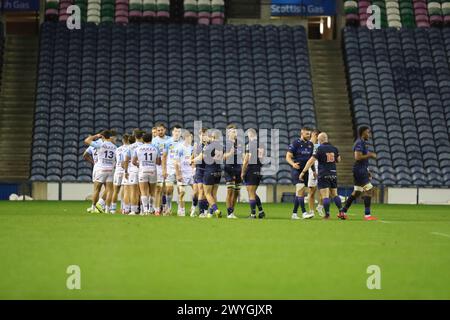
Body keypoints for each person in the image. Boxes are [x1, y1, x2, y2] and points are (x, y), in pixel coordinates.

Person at [300, 132, 343, 219]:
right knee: (335, 194)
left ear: (320, 140)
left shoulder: (319, 149)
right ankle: (342, 212)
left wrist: (303, 172)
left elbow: (310, 161)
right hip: (333, 173)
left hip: (323, 173)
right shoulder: (334, 148)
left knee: (325, 196)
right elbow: (338, 160)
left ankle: (327, 215)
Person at [340, 126, 378, 221]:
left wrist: (367, 170)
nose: (369, 134)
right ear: (363, 132)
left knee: (357, 192)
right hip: (359, 170)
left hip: (362, 169)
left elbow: (362, 160)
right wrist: (369, 155)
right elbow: (357, 157)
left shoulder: (362, 143)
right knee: (369, 189)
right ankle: (367, 215)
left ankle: (343, 211)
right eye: (368, 132)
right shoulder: (359, 143)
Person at [84, 130, 117, 214]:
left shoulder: (100, 144)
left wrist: (96, 136)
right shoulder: (115, 147)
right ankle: (106, 209)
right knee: (110, 190)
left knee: (97, 189)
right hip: (111, 169)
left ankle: (94, 207)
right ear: (110, 137)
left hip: (101, 168)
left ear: (102, 137)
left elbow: (86, 140)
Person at [286, 127, 315, 220]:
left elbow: (311, 160)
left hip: (305, 171)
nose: (309, 135)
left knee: (300, 193)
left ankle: (294, 214)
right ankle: (304, 212)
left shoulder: (311, 144)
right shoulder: (296, 143)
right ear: (302, 133)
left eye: (309, 134)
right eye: (307, 134)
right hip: (297, 170)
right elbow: (288, 157)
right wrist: (293, 164)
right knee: (301, 190)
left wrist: (313, 170)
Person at [132, 132, 160, 215]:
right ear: (151, 139)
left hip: (143, 171)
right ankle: (151, 209)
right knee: (152, 191)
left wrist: (139, 164)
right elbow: (158, 162)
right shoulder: (156, 148)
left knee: (143, 191)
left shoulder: (138, 148)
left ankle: (145, 210)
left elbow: (133, 161)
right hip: (152, 171)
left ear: (143, 139)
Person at [241, 128, 265, 219]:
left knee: (251, 193)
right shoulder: (262, 145)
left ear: (250, 134)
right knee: (253, 192)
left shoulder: (250, 145)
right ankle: (261, 211)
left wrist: (243, 172)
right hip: (259, 170)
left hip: (251, 170)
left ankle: (253, 214)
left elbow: (246, 161)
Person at [202, 129, 223, 218]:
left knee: (207, 193)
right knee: (214, 193)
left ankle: (216, 210)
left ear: (212, 137)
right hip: (218, 171)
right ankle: (210, 213)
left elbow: (202, 158)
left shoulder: (209, 146)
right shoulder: (221, 146)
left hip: (209, 170)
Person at [162, 125, 183, 215]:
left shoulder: (184, 143)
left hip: (181, 170)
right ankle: (168, 207)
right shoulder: (167, 142)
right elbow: (164, 156)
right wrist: (164, 170)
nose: (177, 133)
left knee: (180, 189)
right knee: (169, 189)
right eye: (175, 131)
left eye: (179, 131)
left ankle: (180, 208)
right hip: (170, 169)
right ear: (172, 132)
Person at [123, 129, 145, 215]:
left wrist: (125, 171)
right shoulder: (145, 146)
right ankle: (143, 210)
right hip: (143, 169)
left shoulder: (130, 147)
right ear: (142, 137)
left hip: (133, 170)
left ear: (135, 136)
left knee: (133, 191)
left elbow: (126, 160)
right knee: (143, 191)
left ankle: (133, 210)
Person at [223, 124, 243, 219]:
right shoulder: (225, 143)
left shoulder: (239, 143)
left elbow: (241, 155)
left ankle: (232, 212)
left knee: (236, 193)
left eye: (235, 131)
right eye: (232, 131)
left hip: (238, 168)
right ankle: (229, 213)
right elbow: (221, 157)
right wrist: (230, 153)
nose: (234, 132)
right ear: (228, 133)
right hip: (229, 168)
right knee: (230, 191)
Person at [174, 131, 194, 217]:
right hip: (182, 173)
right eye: (189, 137)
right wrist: (178, 174)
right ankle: (181, 210)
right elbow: (176, 162)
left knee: (196, 192)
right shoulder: (179, 148)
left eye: (191, 137)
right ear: (185, 137)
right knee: (182, 192)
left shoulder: (192, 148)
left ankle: (193, 209)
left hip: (192, 173)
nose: (191, 138)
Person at [152, 123, 170, 216]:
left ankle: (166, 207)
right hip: (158, 167)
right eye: (158, 130)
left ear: (165, 130)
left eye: (161, 130)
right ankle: (157, 209)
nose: (160, 132)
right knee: (158, 189)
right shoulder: (154, 141)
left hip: (168, 167)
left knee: (167, 189)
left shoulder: (170, 139)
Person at [192, 128, 209, 218]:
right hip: (199, 170)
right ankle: (194, 207)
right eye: (201, 135)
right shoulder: (197, 146)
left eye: (204, 134)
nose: (203, 136)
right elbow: (194, 156)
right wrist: (193, 167)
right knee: (196, 192)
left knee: (204, 191)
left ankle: (203, 211)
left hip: (208, 170)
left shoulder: (210, 145)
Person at [111, 133, 130, 214]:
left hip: (118, 170)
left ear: (122, 140)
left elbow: (114, 160)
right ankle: (124, 208)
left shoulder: (117, 149)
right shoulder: (130, 148)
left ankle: (113, 209)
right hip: (126, 170)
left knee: (115, 191)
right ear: (129, 140)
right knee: (125, 190)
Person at [307, 129, 324, 217]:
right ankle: (311, 211)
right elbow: (309, 159)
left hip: (321, 169)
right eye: (315, 134)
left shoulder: (321, 145)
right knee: (312, 192)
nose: (316, 136)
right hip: (312, 170)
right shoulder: (308, 144)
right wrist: (313, 170)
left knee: (323, 191)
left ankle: (320, 206)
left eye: (318, 135)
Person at [121, 134, 135, 214]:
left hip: (128, 171)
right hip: (136, 170)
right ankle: (136, 209)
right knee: (135, 191)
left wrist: (125, 171)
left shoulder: (126, 149)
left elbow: (123, 163)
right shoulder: (137, 148)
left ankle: (126, 209)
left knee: (126, 190)